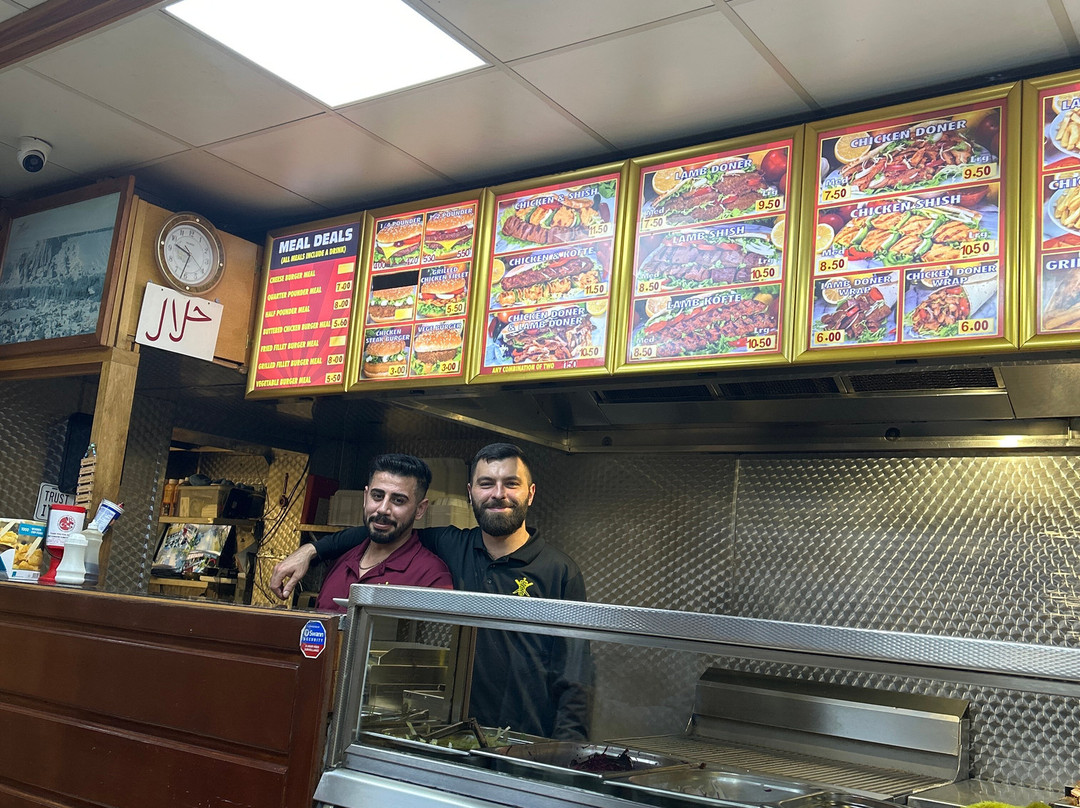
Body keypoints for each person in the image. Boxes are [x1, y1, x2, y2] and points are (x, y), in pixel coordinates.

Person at [270, 442, 592, 739]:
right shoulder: (450, 544)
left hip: (527, 739)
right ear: (470, 493)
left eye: (511, 483)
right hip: (454, 734)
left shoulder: (559, 571)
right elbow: (383, 527)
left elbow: (575, 674)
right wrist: (311, 550)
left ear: (530, 493)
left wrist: (567, 752)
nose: (498, 494)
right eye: (486, 483)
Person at [310, 454, 451, 612]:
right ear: (365, 497)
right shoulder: (342, 562)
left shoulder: (431, 576)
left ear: (420, 509)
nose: (383, 509)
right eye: (377, 496)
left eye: (398, 500)